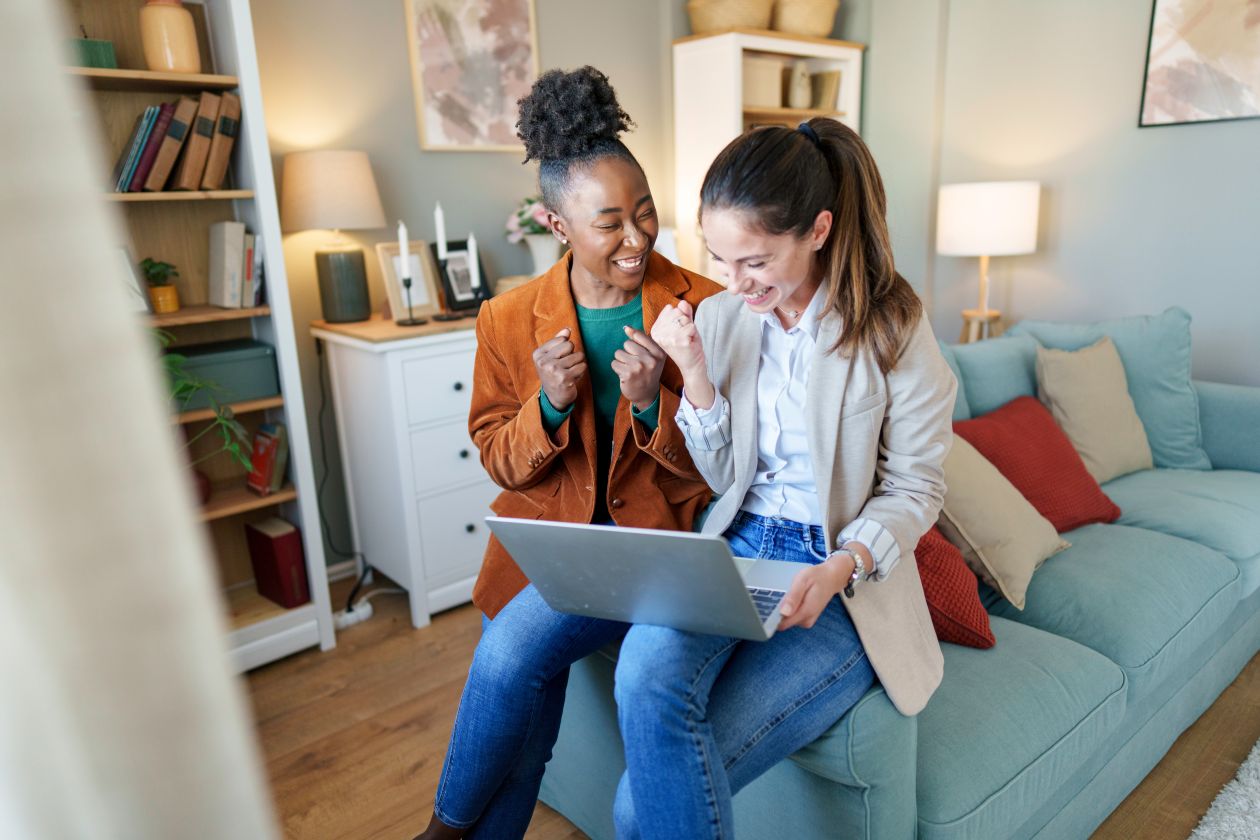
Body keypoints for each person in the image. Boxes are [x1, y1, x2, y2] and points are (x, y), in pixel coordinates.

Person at [613, 117, 958, 838]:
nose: (734, 282)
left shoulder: (893, 325)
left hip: (841, 580)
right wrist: (696, 376)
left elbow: (918, 487)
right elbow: (721, 476)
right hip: (736, 550)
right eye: (719, 257)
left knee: (630, 810)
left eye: (756, 261)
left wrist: (841, 565)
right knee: (642, 671)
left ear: (819, 230)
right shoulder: (723, 318)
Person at [414, 67, 722, 840]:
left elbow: (722, 465)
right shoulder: (508, 318)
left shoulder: (704, 306)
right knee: (527, 729)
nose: (637, 238)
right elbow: (496, 456)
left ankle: (441, 831)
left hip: (654, 549)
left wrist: (655, 401)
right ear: (557, 225)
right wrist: (547, 406)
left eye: (646, 213)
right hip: (548, 549)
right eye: (609, 223)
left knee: (511, 653)